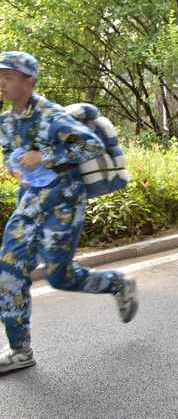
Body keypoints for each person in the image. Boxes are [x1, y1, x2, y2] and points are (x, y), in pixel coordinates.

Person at [0, 51, 138, 374]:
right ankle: (20, 350)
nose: (1, 83)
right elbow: (8, 151)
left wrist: (44, 156)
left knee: (60, 276)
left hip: (63, 203)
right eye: (0, 77)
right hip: (29, 202)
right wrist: (14, 167)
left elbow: (91, 145)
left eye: (8, 77)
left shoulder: (51, 116)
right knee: (9, 270)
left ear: (29, 82)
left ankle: (117, 283)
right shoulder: (6, 121)